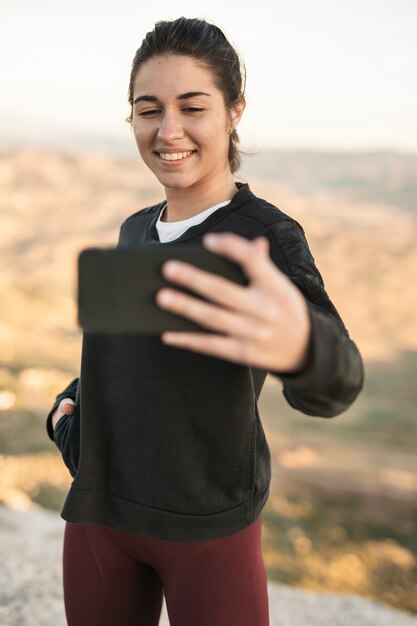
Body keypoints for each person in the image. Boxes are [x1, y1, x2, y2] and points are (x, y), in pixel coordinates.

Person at [46, 16, 364, 626]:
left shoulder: (264, 236)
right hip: (99, 521)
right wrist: (70, 411)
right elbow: (124, 361)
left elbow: (340, 379)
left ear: (234, 110)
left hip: (208, 534)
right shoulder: (134, 229)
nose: (169, 131)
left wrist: (303, 347)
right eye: (148, 109)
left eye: (193, 107)